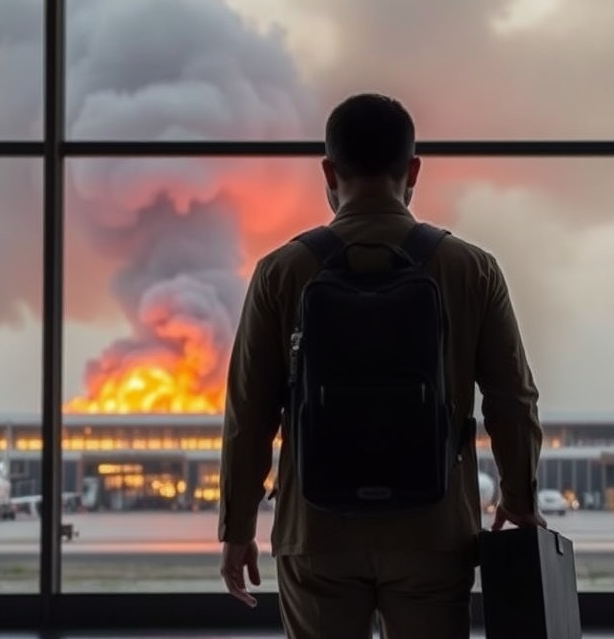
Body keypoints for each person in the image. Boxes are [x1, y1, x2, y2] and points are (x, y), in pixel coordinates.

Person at [218, 92, 545, 639]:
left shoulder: (281, 272)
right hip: (433, 530)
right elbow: (513, 399)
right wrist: (519, 498)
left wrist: (237, 527)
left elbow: (249, 415)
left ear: (328, 171)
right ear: (412, 169)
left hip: (316, 533)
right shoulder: (471, 269)